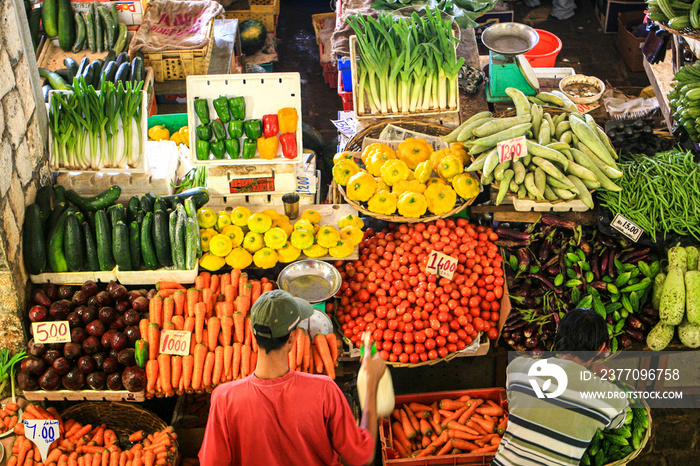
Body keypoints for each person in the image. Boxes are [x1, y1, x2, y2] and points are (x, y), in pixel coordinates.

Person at [199, 289, 387, 466]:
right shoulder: (324, 390)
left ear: (252, 334)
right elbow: (362, 458)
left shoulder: (224, 398)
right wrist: (370, 388)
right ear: (293, 337)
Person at [492, 308, 629, 466]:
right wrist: (607, 379)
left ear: (558, 337)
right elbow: (619, 421)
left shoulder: (518, 368)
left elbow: (514, 399)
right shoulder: (610, 398)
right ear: (600, 348)